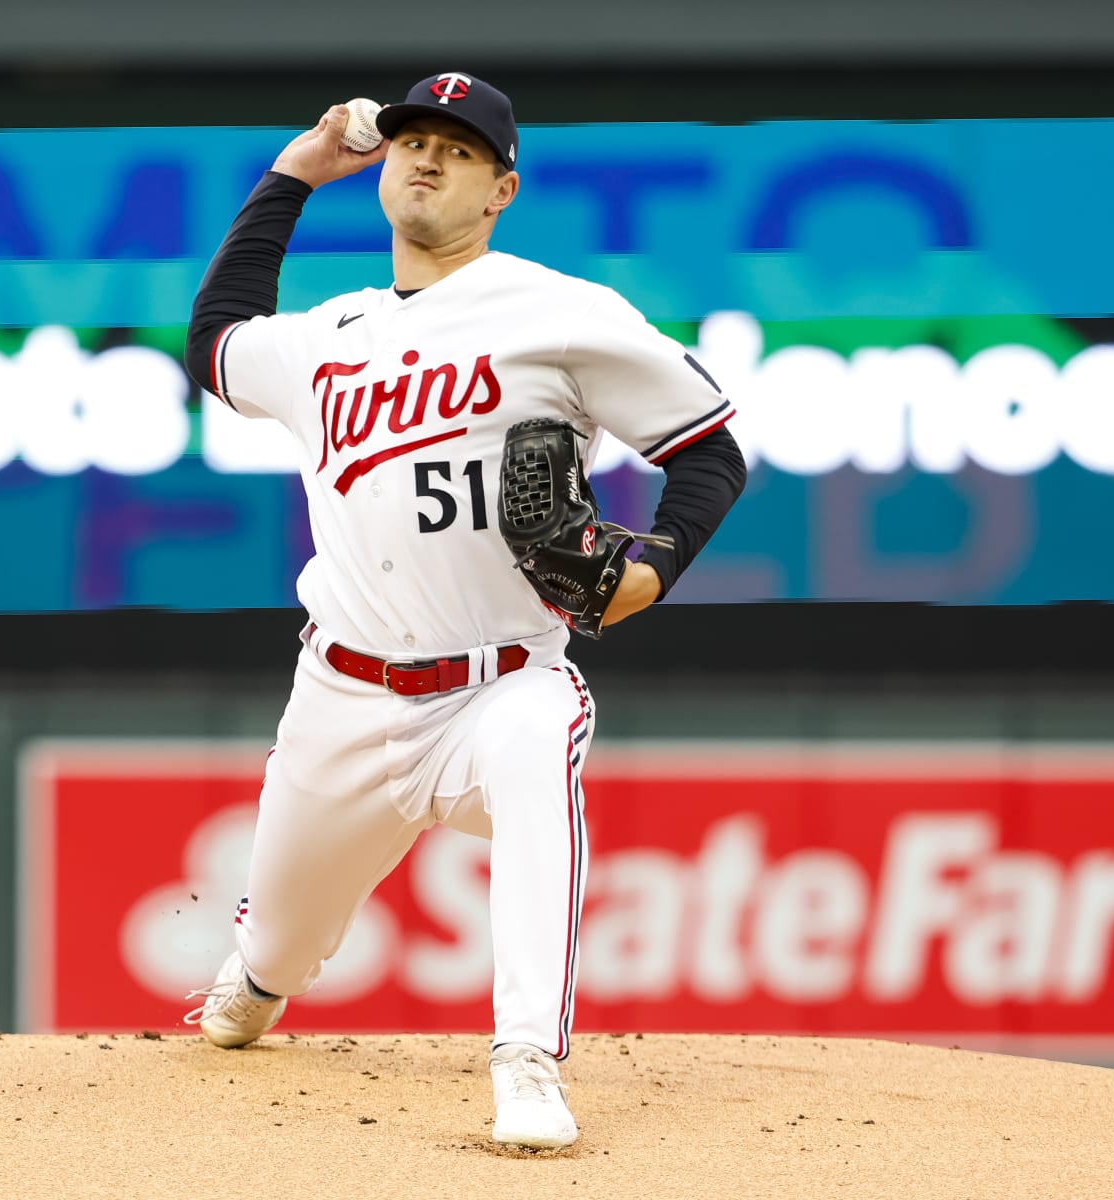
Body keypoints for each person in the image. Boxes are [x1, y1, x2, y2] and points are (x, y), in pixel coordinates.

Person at [179, 72, 746, 1150]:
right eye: (410, 141)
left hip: (499, 686)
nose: (427, 159)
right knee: (270, 969)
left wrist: (655, 566)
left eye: (459, 148)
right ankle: (258, 970)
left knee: (542, 744)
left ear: (502, 189)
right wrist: (297, 171)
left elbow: (707, 451)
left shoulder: (561, 314)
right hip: (339, 700)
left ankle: (527, 1058)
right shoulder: (329, 334)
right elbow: (213, 341)